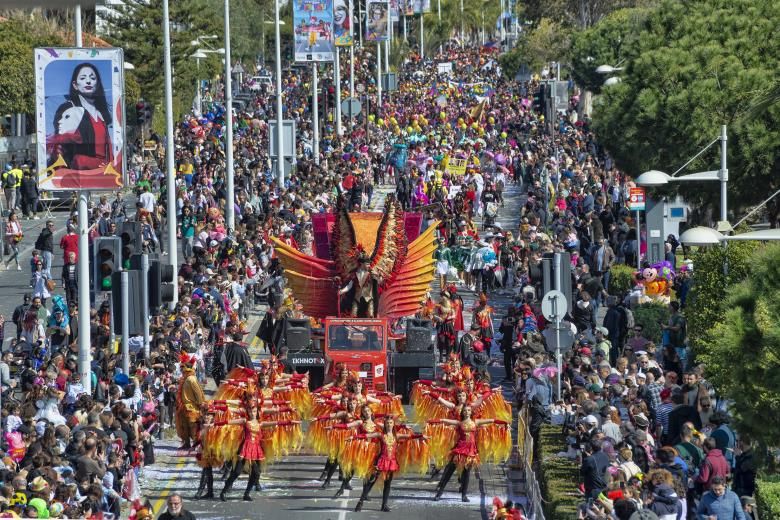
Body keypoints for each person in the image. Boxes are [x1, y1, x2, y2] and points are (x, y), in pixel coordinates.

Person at [49, 63, 113, 171]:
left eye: (92, 78)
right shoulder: (68, 108)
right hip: (77, 172)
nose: (88, 81)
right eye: (83, 78)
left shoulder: (101, 114)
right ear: (75, 85)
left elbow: (109, 149)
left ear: (97, 84)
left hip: (102, 174)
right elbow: (59, 146)